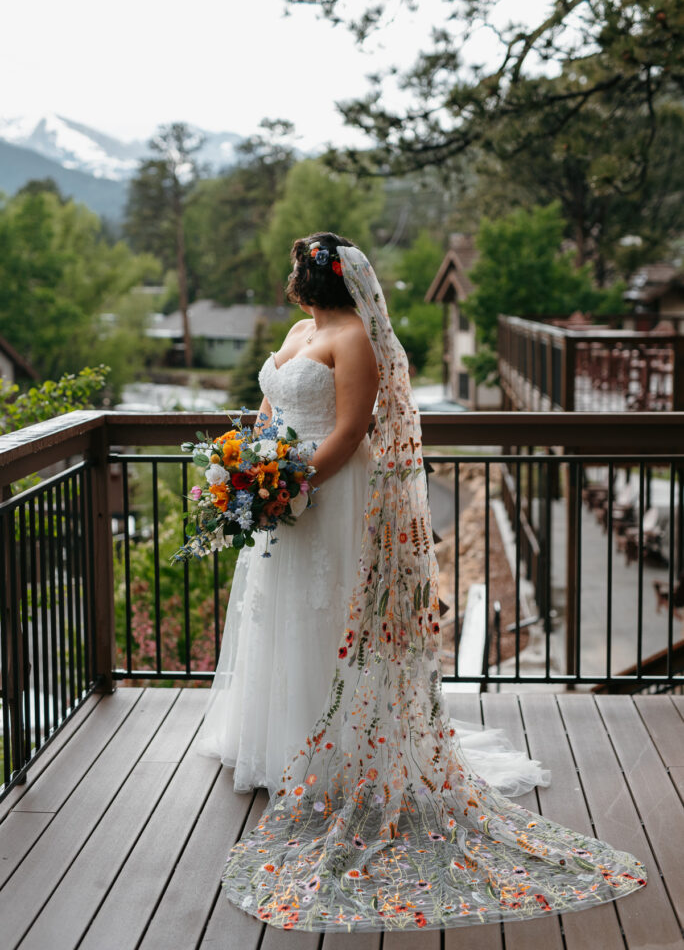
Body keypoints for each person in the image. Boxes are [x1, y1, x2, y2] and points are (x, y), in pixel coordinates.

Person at [198, 234, 647, 932]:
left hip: (330, 496)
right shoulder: (298, 331)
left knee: (325, 615)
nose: (292, 278)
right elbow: (269, 410)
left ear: (323, 280)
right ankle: (279, 742)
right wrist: (250, 468)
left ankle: (334, 753)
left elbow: (349, 433)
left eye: (299, 270)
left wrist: (291, 484)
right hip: (279, 495)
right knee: (274, 613)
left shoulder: (356, 341)